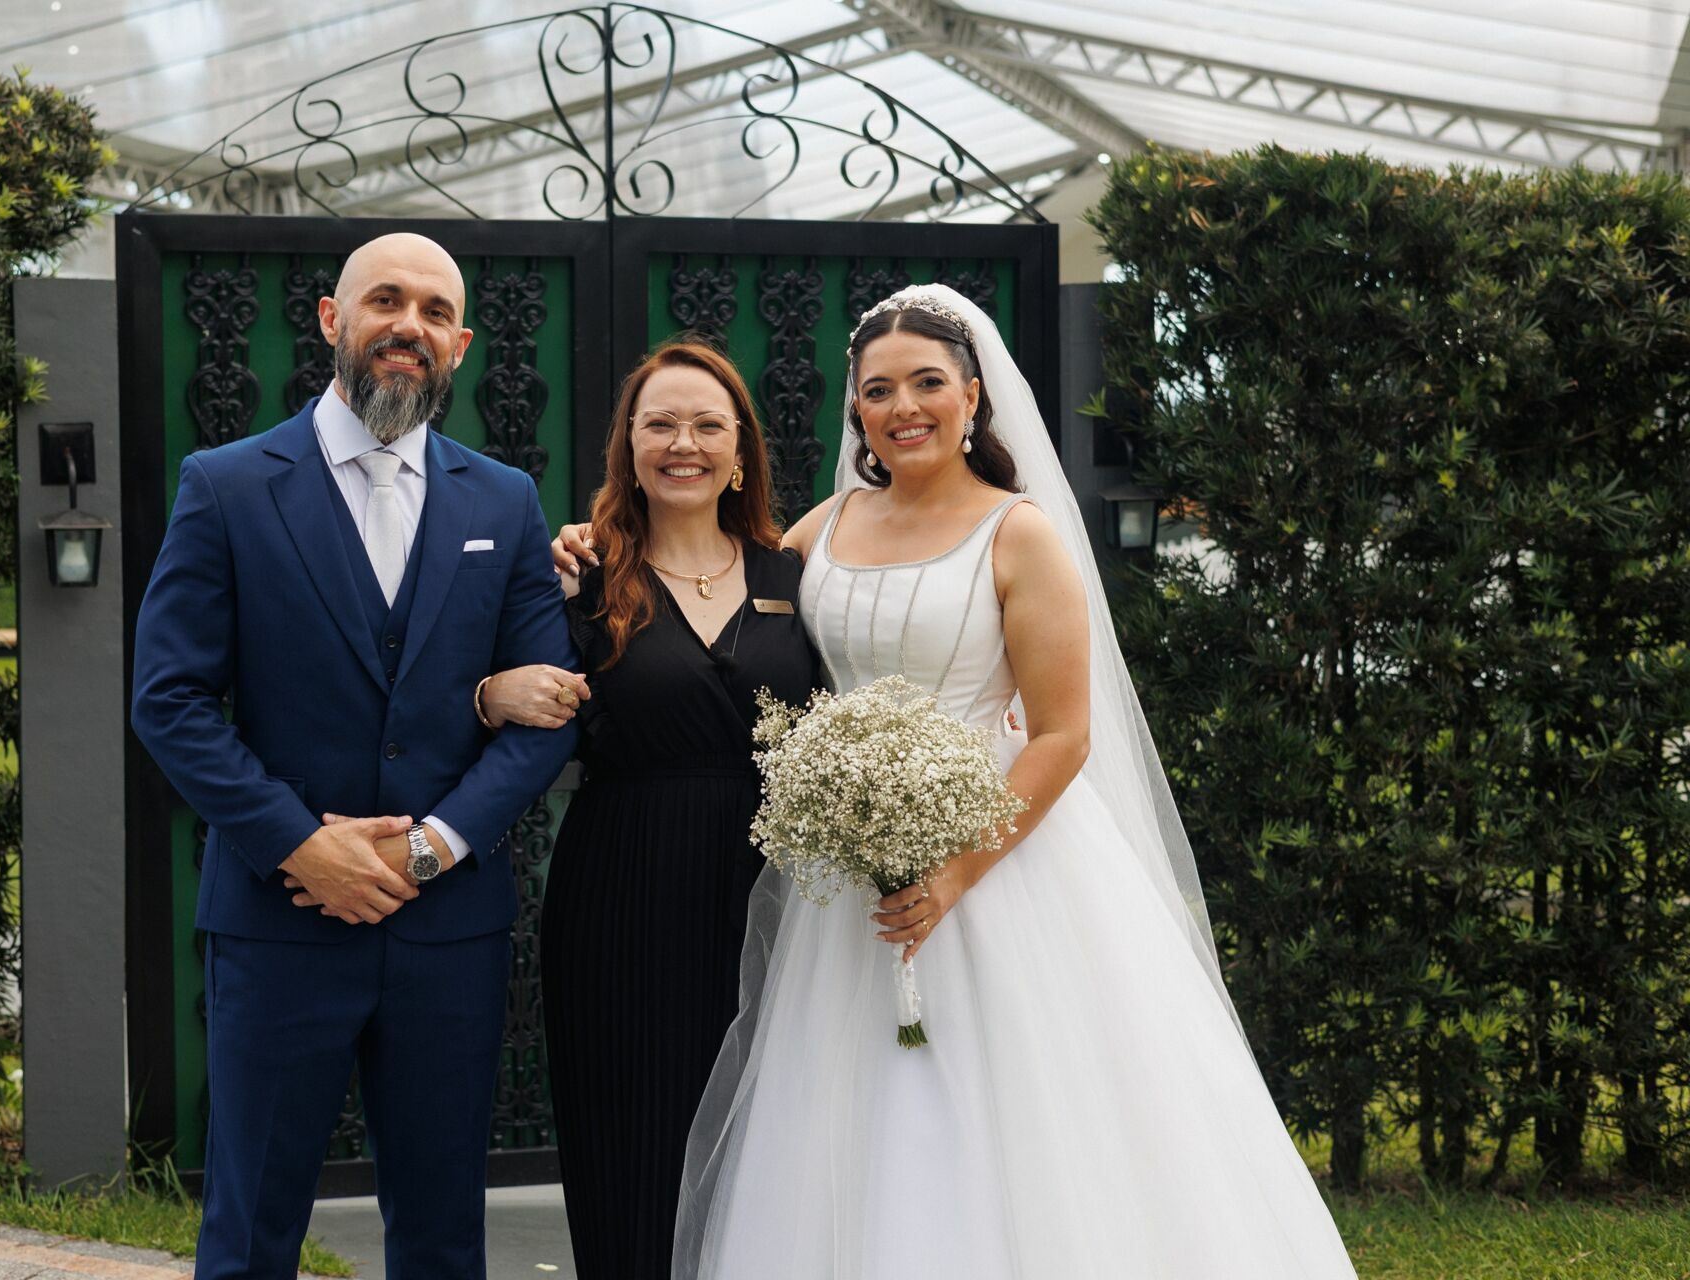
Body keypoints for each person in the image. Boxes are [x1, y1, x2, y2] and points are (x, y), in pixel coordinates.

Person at [561, 286, 1356, 1277]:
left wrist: (954, 873)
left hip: (999, 858)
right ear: (856, 411)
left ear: (972, 396)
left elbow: (1064, 732)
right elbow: (716, 574)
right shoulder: (823, 529)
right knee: (838, 1116)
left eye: (928, 383)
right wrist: (595, 543)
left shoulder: (1018, 533)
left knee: (1014, 1118)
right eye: (880, 388)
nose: (906, 406)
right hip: (848, 878)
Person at [130, 233, 579, 1280]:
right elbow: (172, 700)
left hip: (448, 933)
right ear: (332, 319)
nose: (408, 325)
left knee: (440, 1234)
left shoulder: (503, 499)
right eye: (386, 299)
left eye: (433, 310)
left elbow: (547, 710)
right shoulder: (229, 486)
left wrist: (430, 847)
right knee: (249, 1230)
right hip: (277, 923)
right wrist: (299, 842)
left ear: (459, 344)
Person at [479, 339, 819, 1280]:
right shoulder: (575, 580)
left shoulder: (795, 576)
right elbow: (484, 694)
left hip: (772, 896)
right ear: (627, 448)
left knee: (764, 1135)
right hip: (620, 890)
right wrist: (490, 691)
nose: (684, 442)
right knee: (628, 1141)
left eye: (708, 424)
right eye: (660, 423)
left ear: (742, 451)